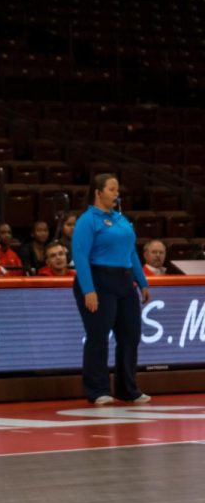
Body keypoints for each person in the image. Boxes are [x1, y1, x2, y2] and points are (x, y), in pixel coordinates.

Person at [71, 173, 151, 406]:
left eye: (117, 190)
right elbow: (81, 256)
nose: (117, 194)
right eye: (112, 189)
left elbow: (132, 252)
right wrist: (89, 289)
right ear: (98, 193)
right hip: (99, 280)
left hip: (125, 282)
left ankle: (128, 389)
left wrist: (142, 282)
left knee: (130, 336)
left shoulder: (121, 219)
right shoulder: (88, 220)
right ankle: (97, 390)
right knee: (98, 336)